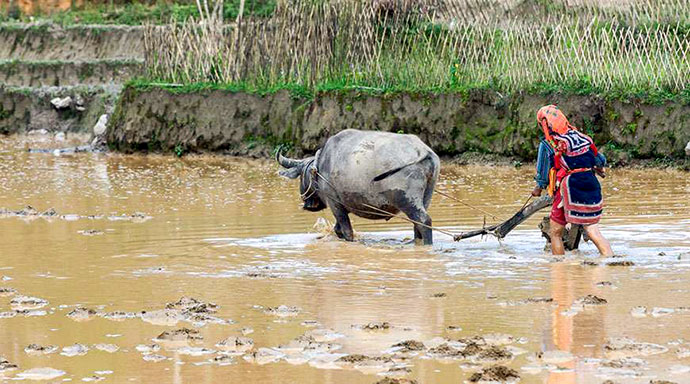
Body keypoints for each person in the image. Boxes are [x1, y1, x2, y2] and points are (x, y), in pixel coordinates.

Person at [531, 105, 613, 257]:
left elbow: (543, 173)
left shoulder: (549, 144)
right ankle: (609, 258)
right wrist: (597, 168)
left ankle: (560, 268)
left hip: (569, 188)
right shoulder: (582, 137)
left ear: (544, 125)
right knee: (592, 229)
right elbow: (599, 160)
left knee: (555, 232)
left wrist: (538, 188)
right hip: (590, 184)